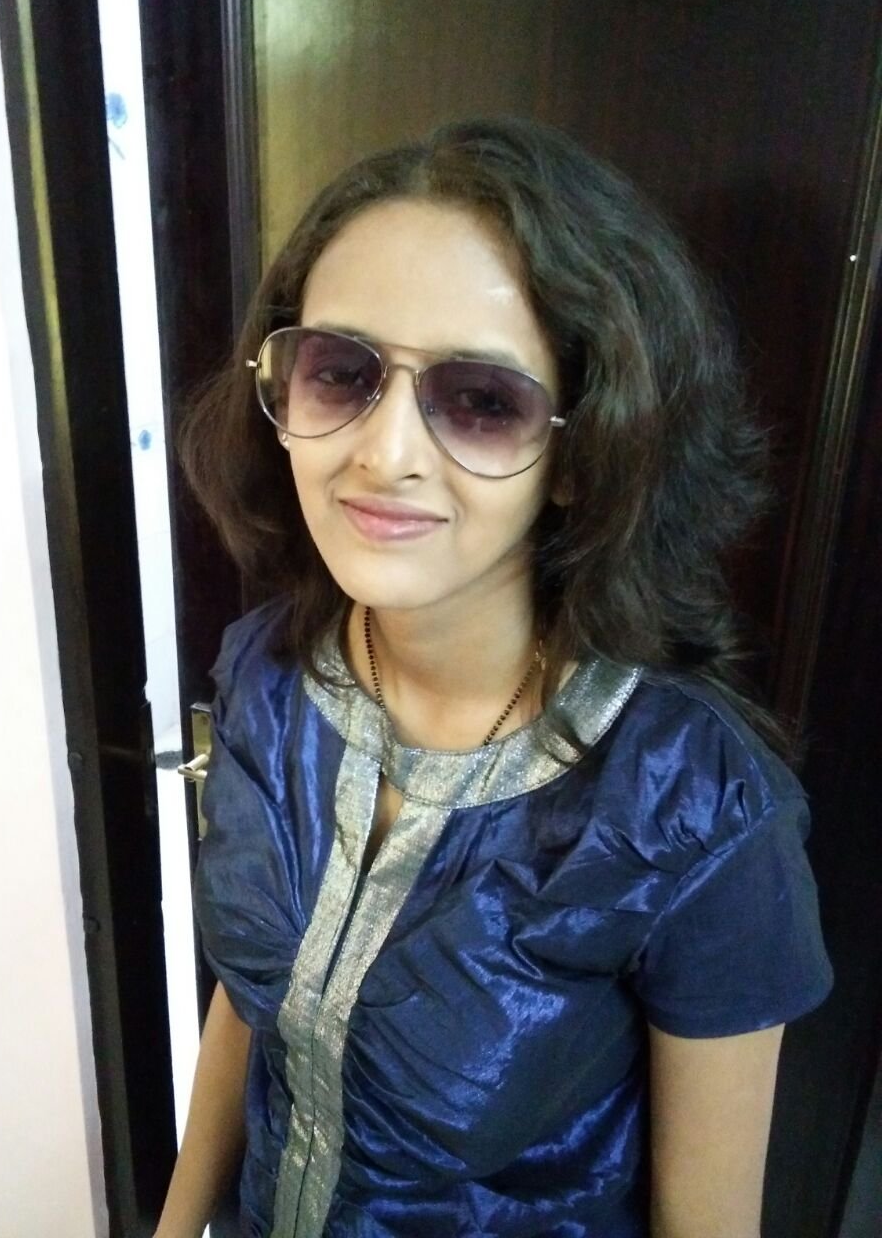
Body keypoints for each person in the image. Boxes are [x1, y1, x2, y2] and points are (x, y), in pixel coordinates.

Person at [154, 117, 832, 1238]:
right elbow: (258, 1004)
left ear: (579, 452)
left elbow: (707, 1220)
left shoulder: (695, 810)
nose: (383, 453)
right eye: (340, 374)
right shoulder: (267, 676)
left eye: (480, 400)